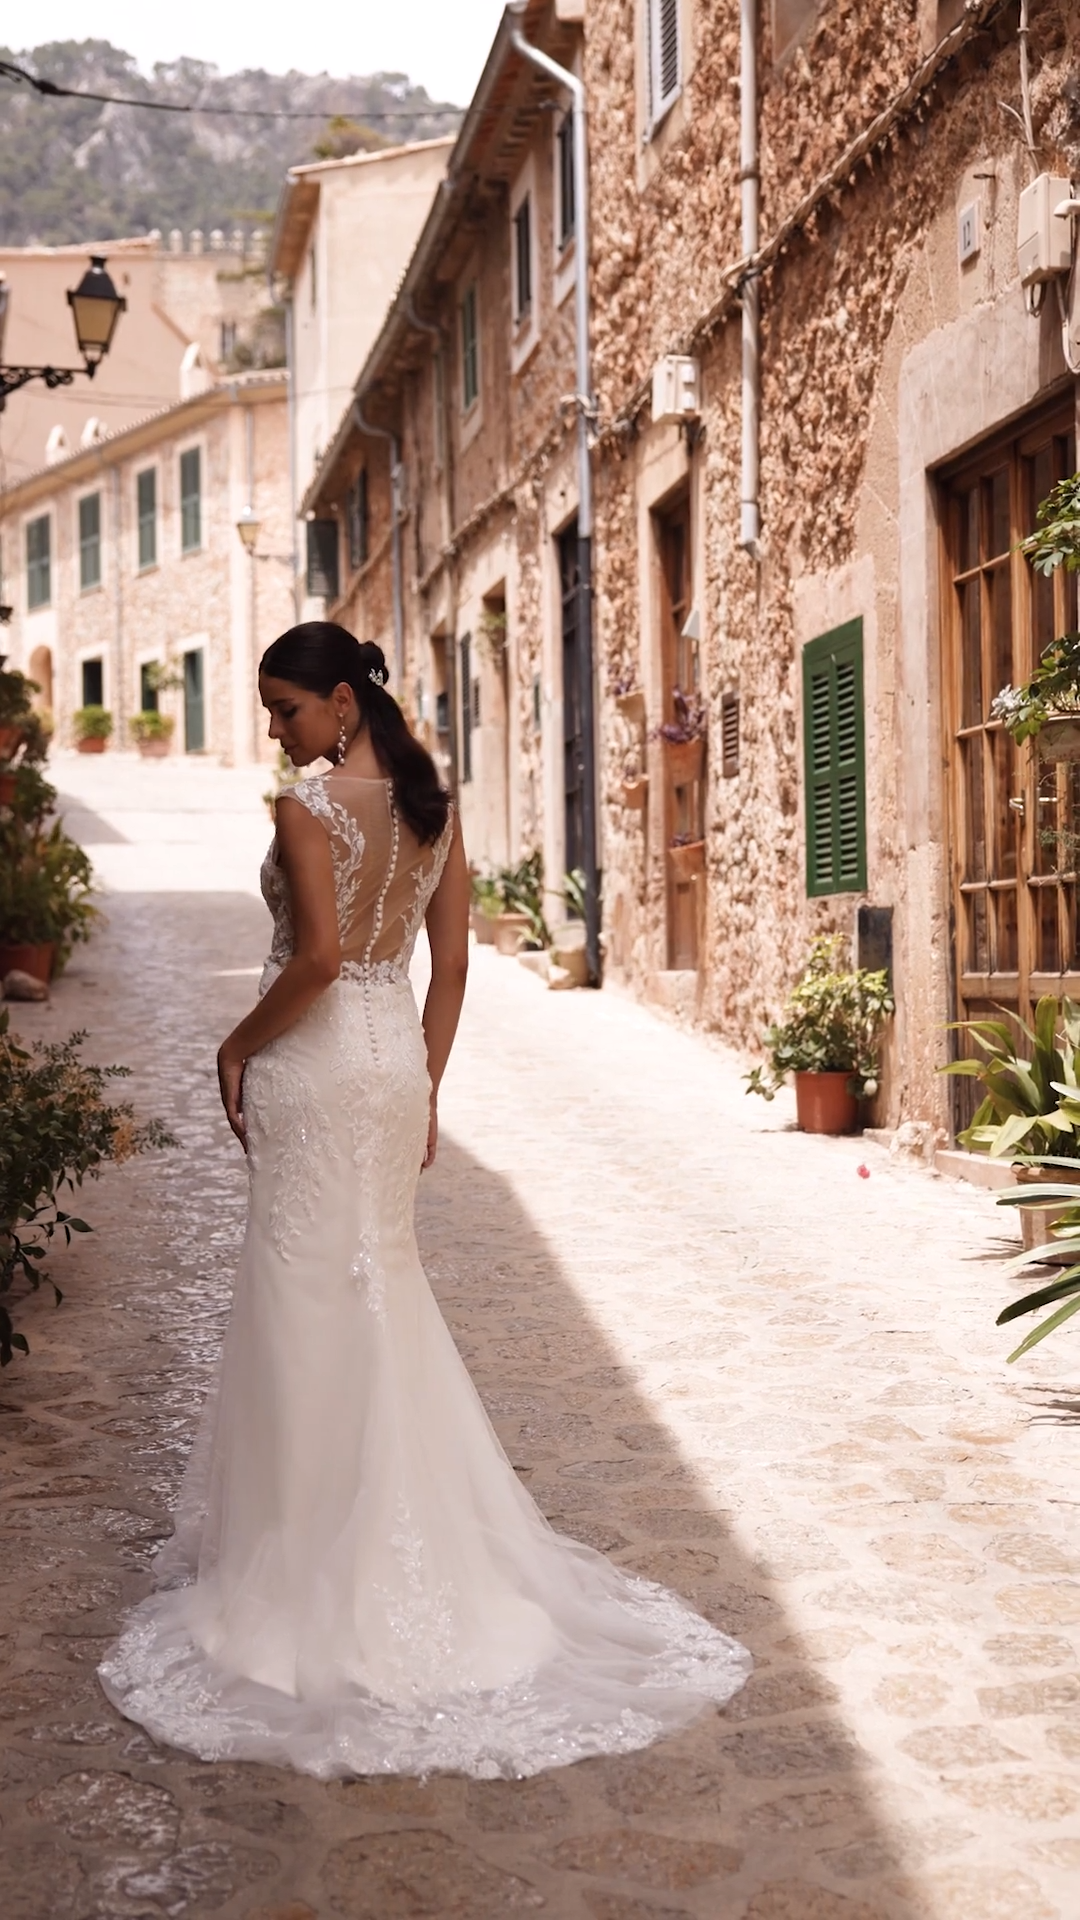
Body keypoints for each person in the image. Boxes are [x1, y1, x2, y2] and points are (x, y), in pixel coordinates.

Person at [99, 621, 751, 1779]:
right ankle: (401, 1555)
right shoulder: (432, 807)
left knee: (304, 1294)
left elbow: (314, 961)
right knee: (376, 1288)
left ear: (342, 702)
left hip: (309, 1060)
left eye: (287, 710)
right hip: (392, 1059)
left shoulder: (307, 809)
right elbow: (447, 971)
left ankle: (307, 1573)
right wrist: (426, 1084)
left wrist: (231, 1048)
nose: (275, 730)